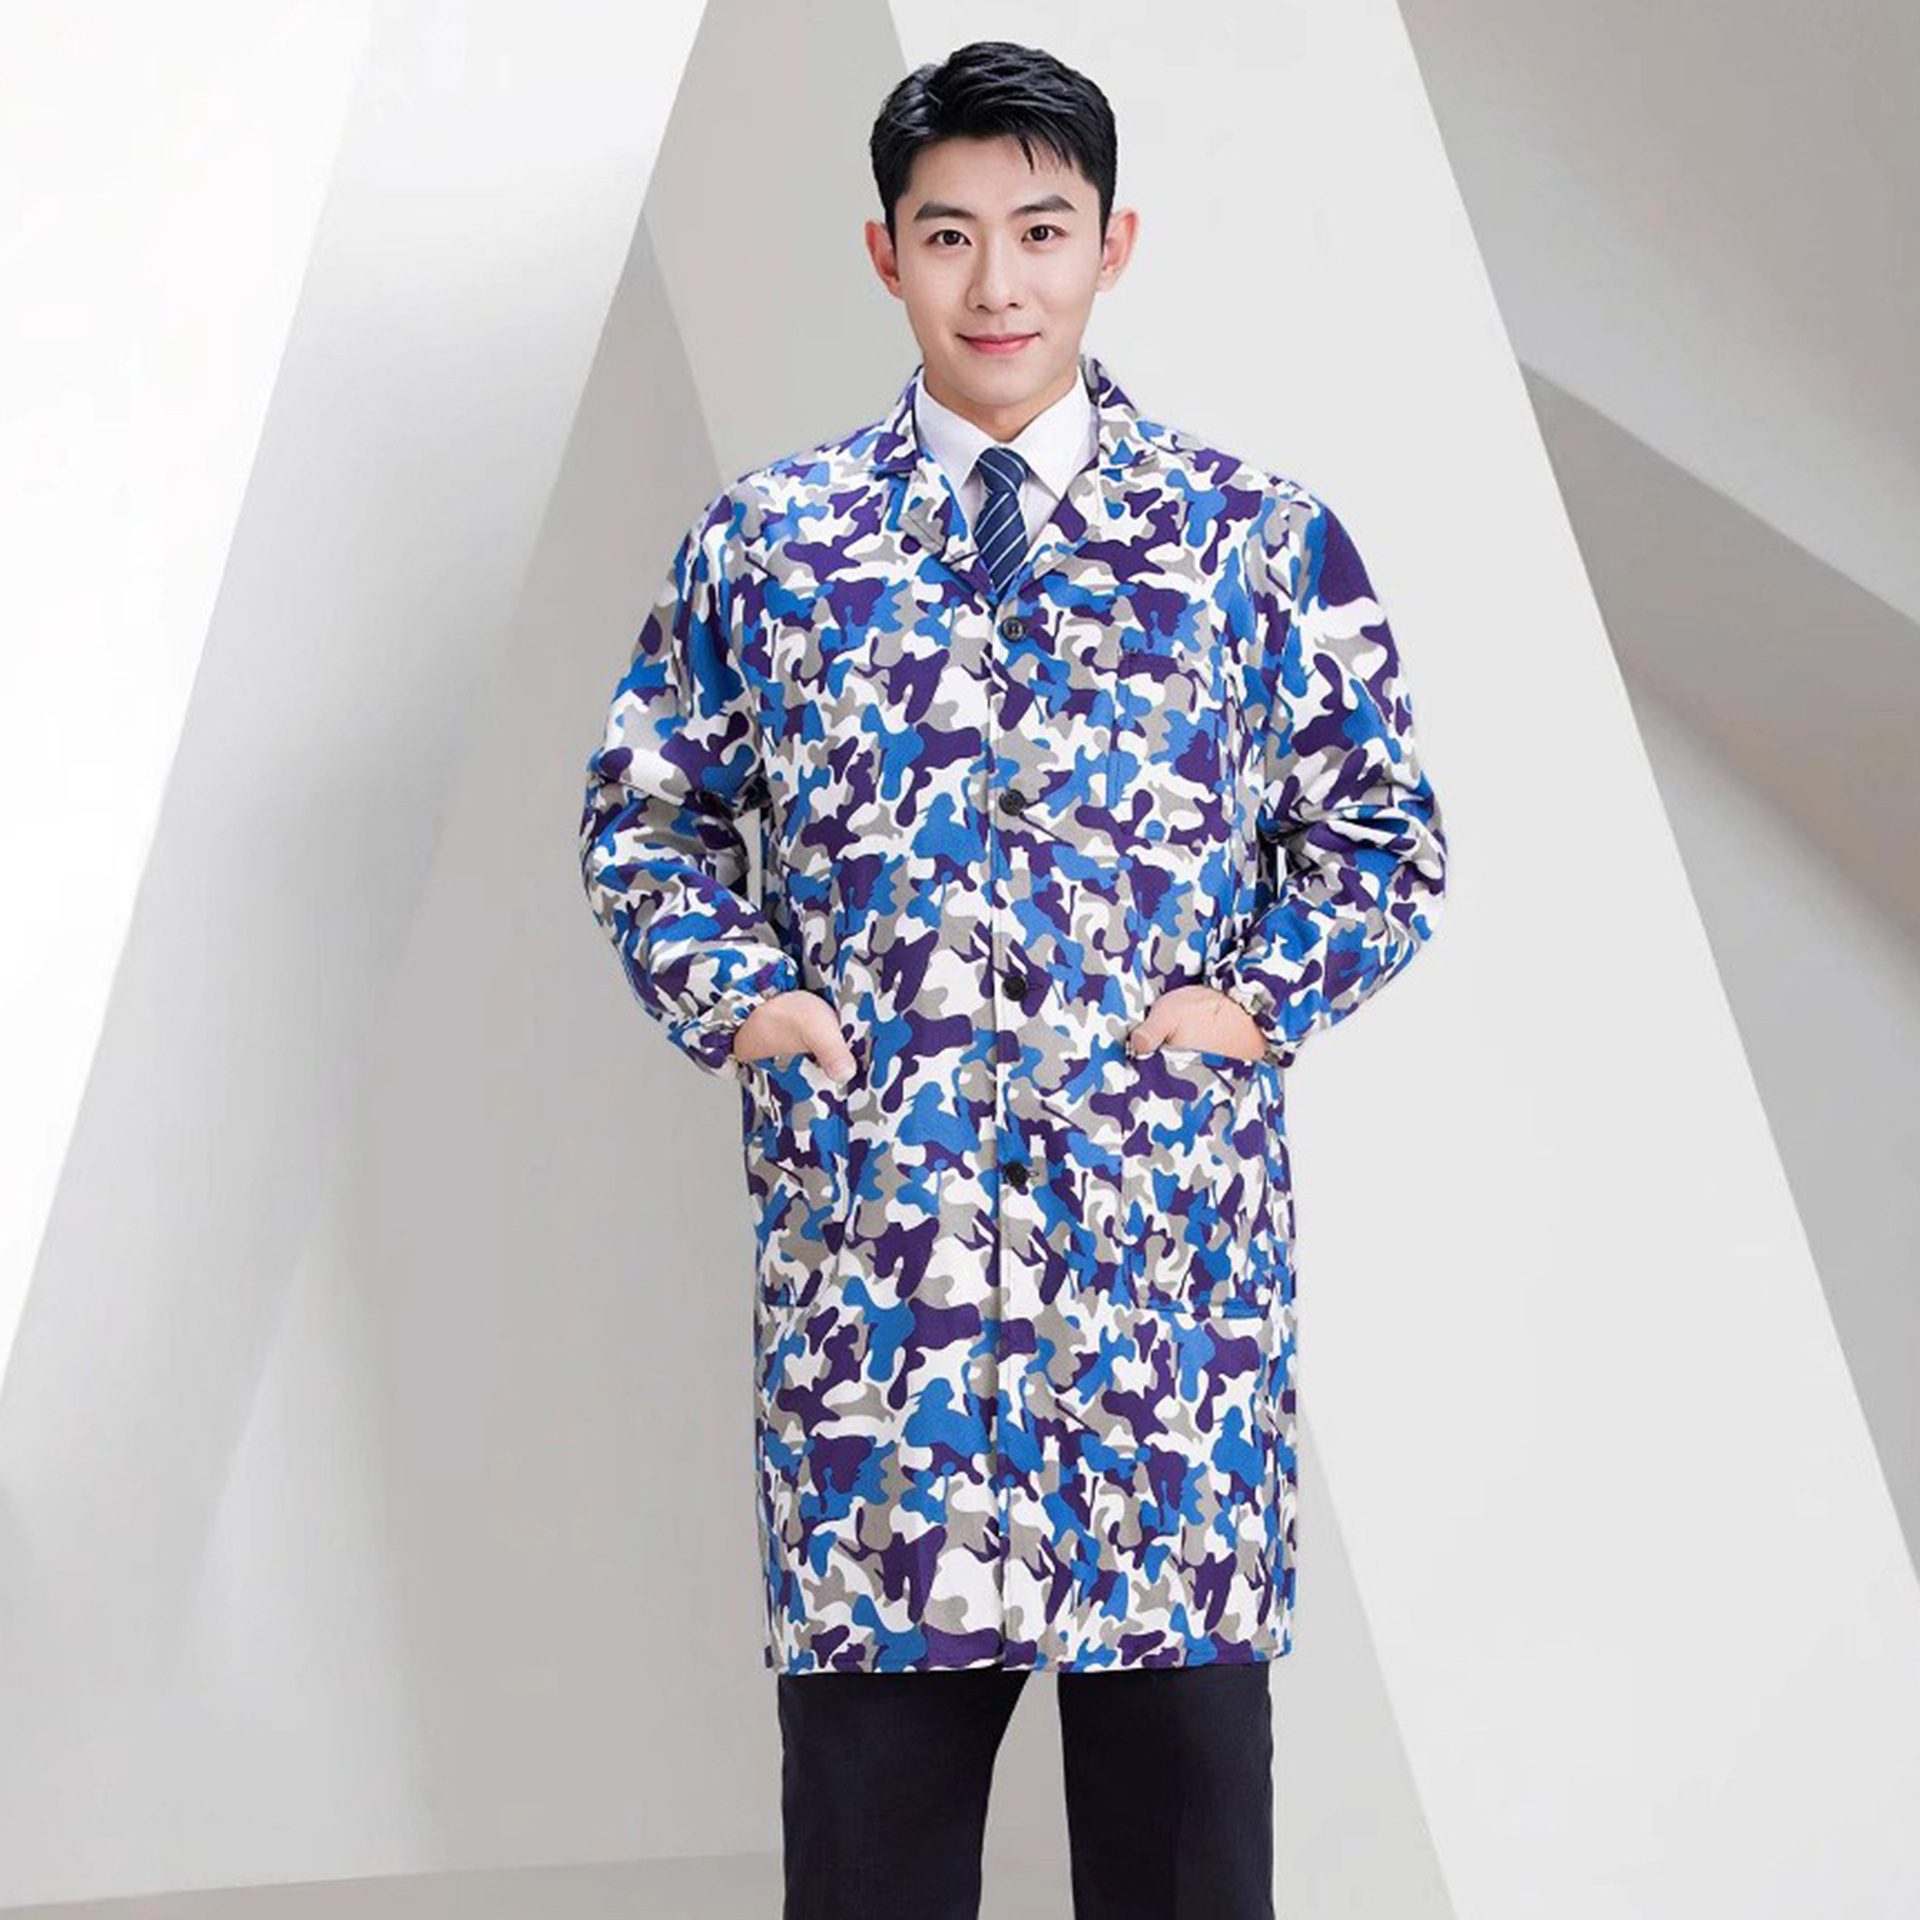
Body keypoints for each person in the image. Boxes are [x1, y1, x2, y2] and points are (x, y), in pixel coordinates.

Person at [576, 37, 1448, 1920]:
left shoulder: (1252, 542)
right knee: (872, 1872)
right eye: (950, 233)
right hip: (884, 1338)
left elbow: (1383, 839)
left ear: (1113, 246)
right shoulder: (775, 547)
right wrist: (751, 1004)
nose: (998, 283)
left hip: (1166, 1334)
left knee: (1183, 1870)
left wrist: (1249, 1008)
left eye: (1041, 231)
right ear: (883, 254)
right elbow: (645, 818)